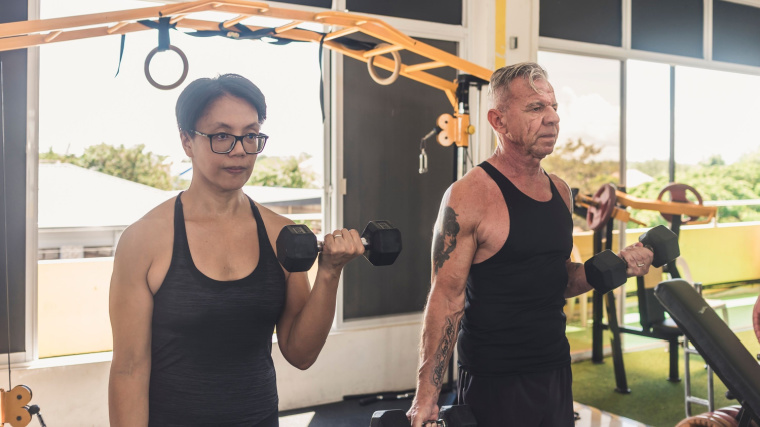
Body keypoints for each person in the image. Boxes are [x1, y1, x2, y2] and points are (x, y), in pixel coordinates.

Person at [108, 73, 364, 427]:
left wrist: (330, 272)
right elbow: (128, 368)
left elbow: (300, 353)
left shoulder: (282, 235)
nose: (240, 150)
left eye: (250, 135)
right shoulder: (145, 240)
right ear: (186, 140)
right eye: (222, 136)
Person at [406, 62, 654, 427]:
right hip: (494, 379)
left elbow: (559, 278)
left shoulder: (560, 191)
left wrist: (616, 265)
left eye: (554, 107)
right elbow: (445, 298)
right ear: (498, 120)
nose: (553, 119)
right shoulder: (468, 195)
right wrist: (426, 397)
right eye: (536, 108)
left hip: (554, 369)